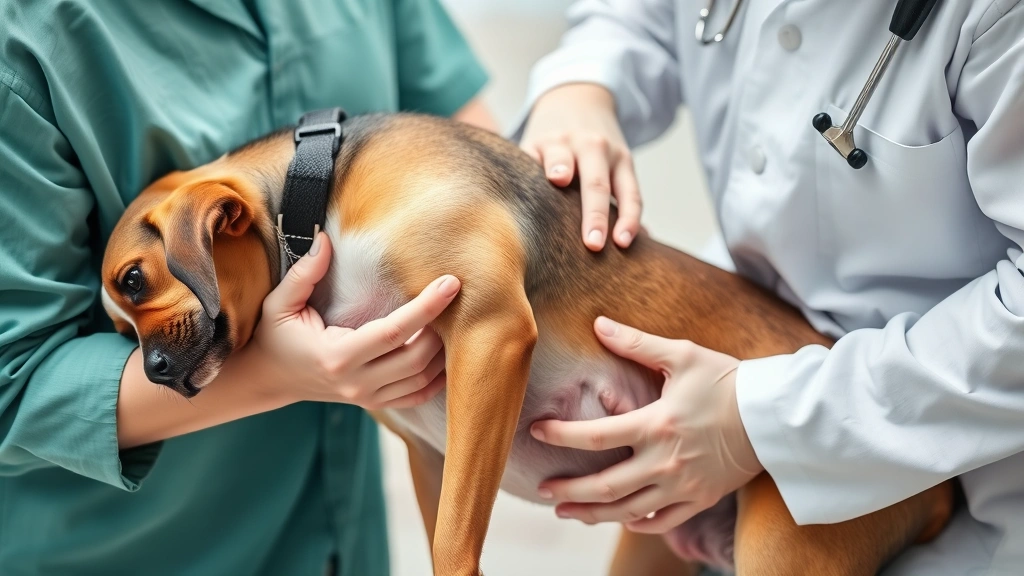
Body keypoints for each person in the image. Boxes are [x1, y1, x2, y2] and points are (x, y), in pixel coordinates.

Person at [513, 1, 1024, 574]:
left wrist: (758, 421)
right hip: (738, 375)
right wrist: (580, 85)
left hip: (965, 485)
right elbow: (634, 16)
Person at [0, 2, 496, 574]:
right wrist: (270, 371)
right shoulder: (26, 34)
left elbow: (481, 168)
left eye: (136, 286)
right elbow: (13, 387)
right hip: (142, 552)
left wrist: (580, 98)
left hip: (347, 539)